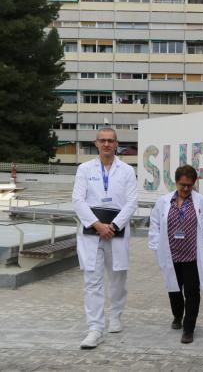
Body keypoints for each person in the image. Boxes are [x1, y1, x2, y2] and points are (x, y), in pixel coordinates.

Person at [72, 128, 138, 349]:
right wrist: (98, 225)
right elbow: (78, 200)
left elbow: (132, 202)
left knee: (118, 278)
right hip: (92, 231)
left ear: (116, 144)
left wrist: (114, 225)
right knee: (92, 281)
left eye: (111, 140)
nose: (107, 144)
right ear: (96, 143)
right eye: (103, 141)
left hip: (116, 231)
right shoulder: (84, 169)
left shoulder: (127, 170)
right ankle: (95, 328)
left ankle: (116, 314)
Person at [148, 165, 203, 344]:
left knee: (192, 292)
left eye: (189, 185)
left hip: (192, 255)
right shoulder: (164, 201)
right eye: (182, 185)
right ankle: (177, 316)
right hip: (171, 255)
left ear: (194, 183)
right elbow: (155, 223)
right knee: (174, 290)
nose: (185, 189)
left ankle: (188, 328)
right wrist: (157, 246)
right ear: (176, 182)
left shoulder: (201, 201)